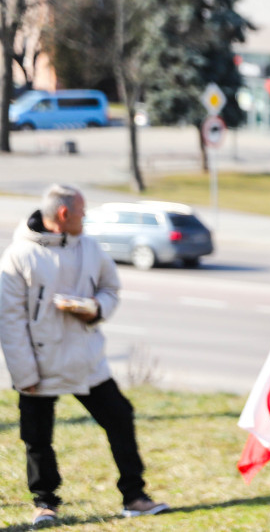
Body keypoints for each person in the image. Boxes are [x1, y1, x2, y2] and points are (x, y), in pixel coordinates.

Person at [0, 184, 169, 526]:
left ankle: (134, 496)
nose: (86, 217)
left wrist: (95, 308)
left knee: (120, 417)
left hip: (87, 360)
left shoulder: (90, 247)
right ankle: (45, 503)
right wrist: (24, 375)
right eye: (81, 211)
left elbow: (111, 288)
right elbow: (10, 321)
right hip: (39, 365)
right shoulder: (19, 255)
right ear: (63, 215)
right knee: (37, 437)